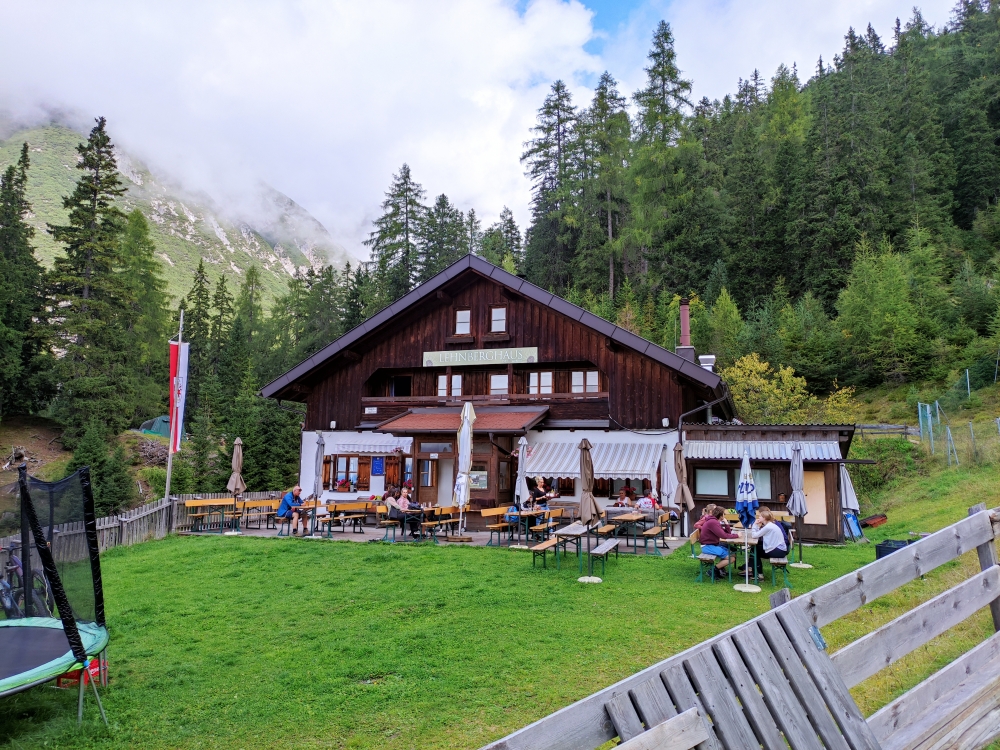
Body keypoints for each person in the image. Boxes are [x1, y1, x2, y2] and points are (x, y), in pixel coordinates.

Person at [741, 508, 789, 576]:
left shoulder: (768, 527)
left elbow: (754, 535)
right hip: (780, 550)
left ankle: (758, 574)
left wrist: (755, 524)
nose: (758, 517)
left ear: (764, 518)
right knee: (755, 549)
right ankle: (752, 570)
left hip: (778, 551)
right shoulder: (770, 525)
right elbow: (758, 533)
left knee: (754, 551)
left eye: (760, 516)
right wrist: (757, 526)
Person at [698, 506, 739, 573]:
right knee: (732, 558)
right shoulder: (713, 522)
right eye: (724, 514)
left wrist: (726, 523)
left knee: (733, 554)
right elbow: (723, 535)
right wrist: (737, 535)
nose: (724, 515)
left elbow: (727, 533)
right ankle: (713, 571)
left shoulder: (714, 521)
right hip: (708, 547)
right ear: (720, 515)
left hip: (712, 545)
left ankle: (719, 569)